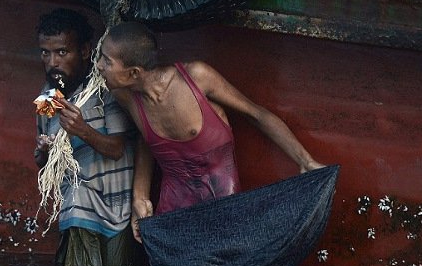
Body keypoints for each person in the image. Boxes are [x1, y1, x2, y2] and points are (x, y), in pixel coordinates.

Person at [95, 21, 325, 242]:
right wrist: (140, 197)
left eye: (107, 61)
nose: (99, 66)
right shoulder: (124, 96)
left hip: (223, 210)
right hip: (173, 218)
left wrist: (305, 161)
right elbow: (147, 142)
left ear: (134, 72)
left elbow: (256, 114)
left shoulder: (197, 78)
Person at [34, 8, 142, 266]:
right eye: (45, 53)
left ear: (84, 51)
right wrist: (44, 151)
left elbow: (118, 148)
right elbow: (42, 162)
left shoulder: (106, 89)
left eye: (62, 52)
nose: (52, 62)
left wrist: (83, 130)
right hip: (77, 210)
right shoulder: (47, 96)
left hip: (117, 211)